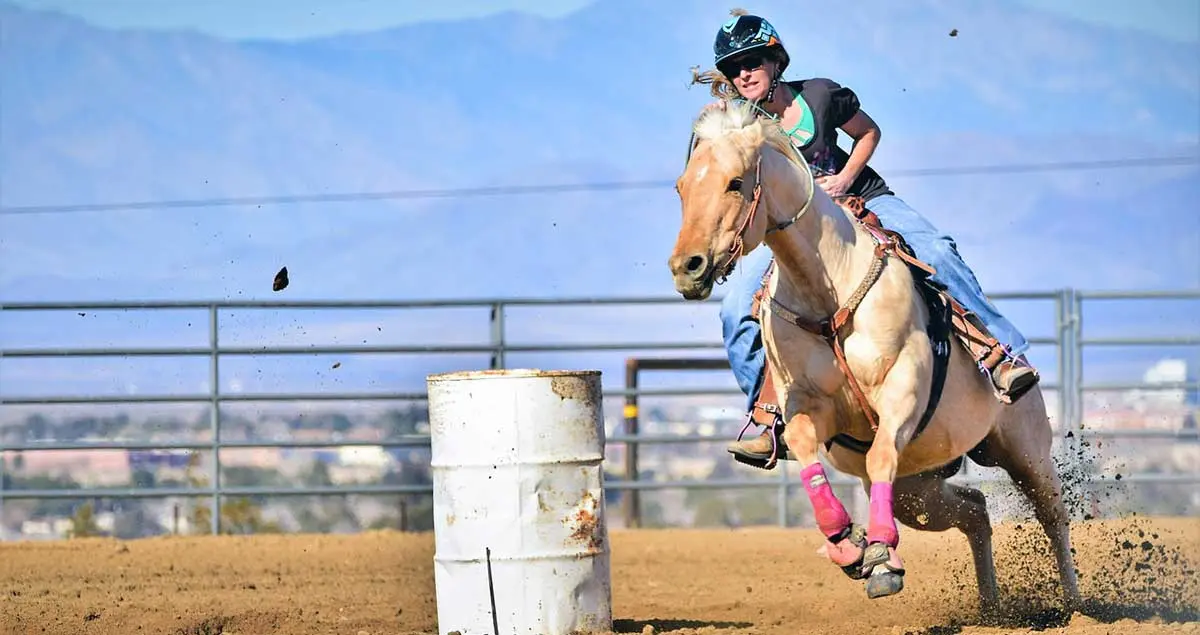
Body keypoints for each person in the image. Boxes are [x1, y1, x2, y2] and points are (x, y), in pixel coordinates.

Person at [691, 10, 1040, 468]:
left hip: (862, 198)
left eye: (753, 61)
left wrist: (843, 179)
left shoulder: (819, 95)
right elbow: (707, 178)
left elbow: (868, 132)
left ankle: (997, 354)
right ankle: (769, 418)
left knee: (935, 250)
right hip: (791, 230)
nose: (743, 73)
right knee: (736, 307)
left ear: (776, 61)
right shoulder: (735, 124)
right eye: (734, 67)